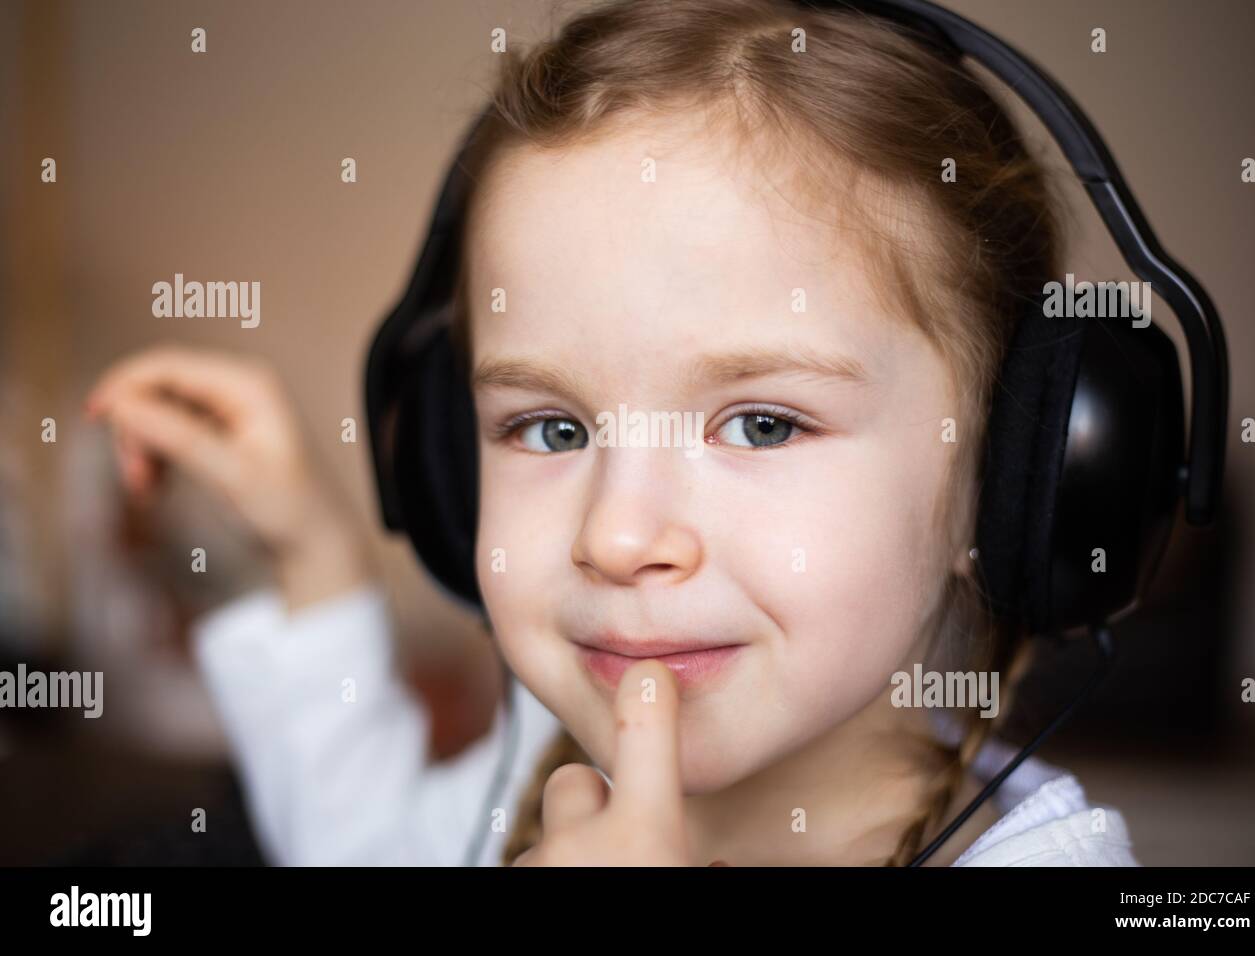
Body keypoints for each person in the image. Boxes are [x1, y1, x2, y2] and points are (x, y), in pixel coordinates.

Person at [84, 0, 1139, 867]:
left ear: (1009, 473)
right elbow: (359, 843)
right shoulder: (534, 782)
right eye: (547, 427)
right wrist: (312, 557)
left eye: (761, 422)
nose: (618, 535)